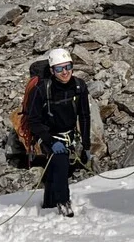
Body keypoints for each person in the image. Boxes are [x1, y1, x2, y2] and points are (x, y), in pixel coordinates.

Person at [26, 48, 92, 217]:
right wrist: (49, 141)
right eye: (59, 69)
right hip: (48, 135)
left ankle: (49, 202)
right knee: (61, 163)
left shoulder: (79, 86)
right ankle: (63, 202)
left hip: (69, 134)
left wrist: (86, 145)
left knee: (58, 168)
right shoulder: (41, 90)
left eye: (68, 67)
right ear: (52, 71)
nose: (65, 72)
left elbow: (84, 115)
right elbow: (33, 120)